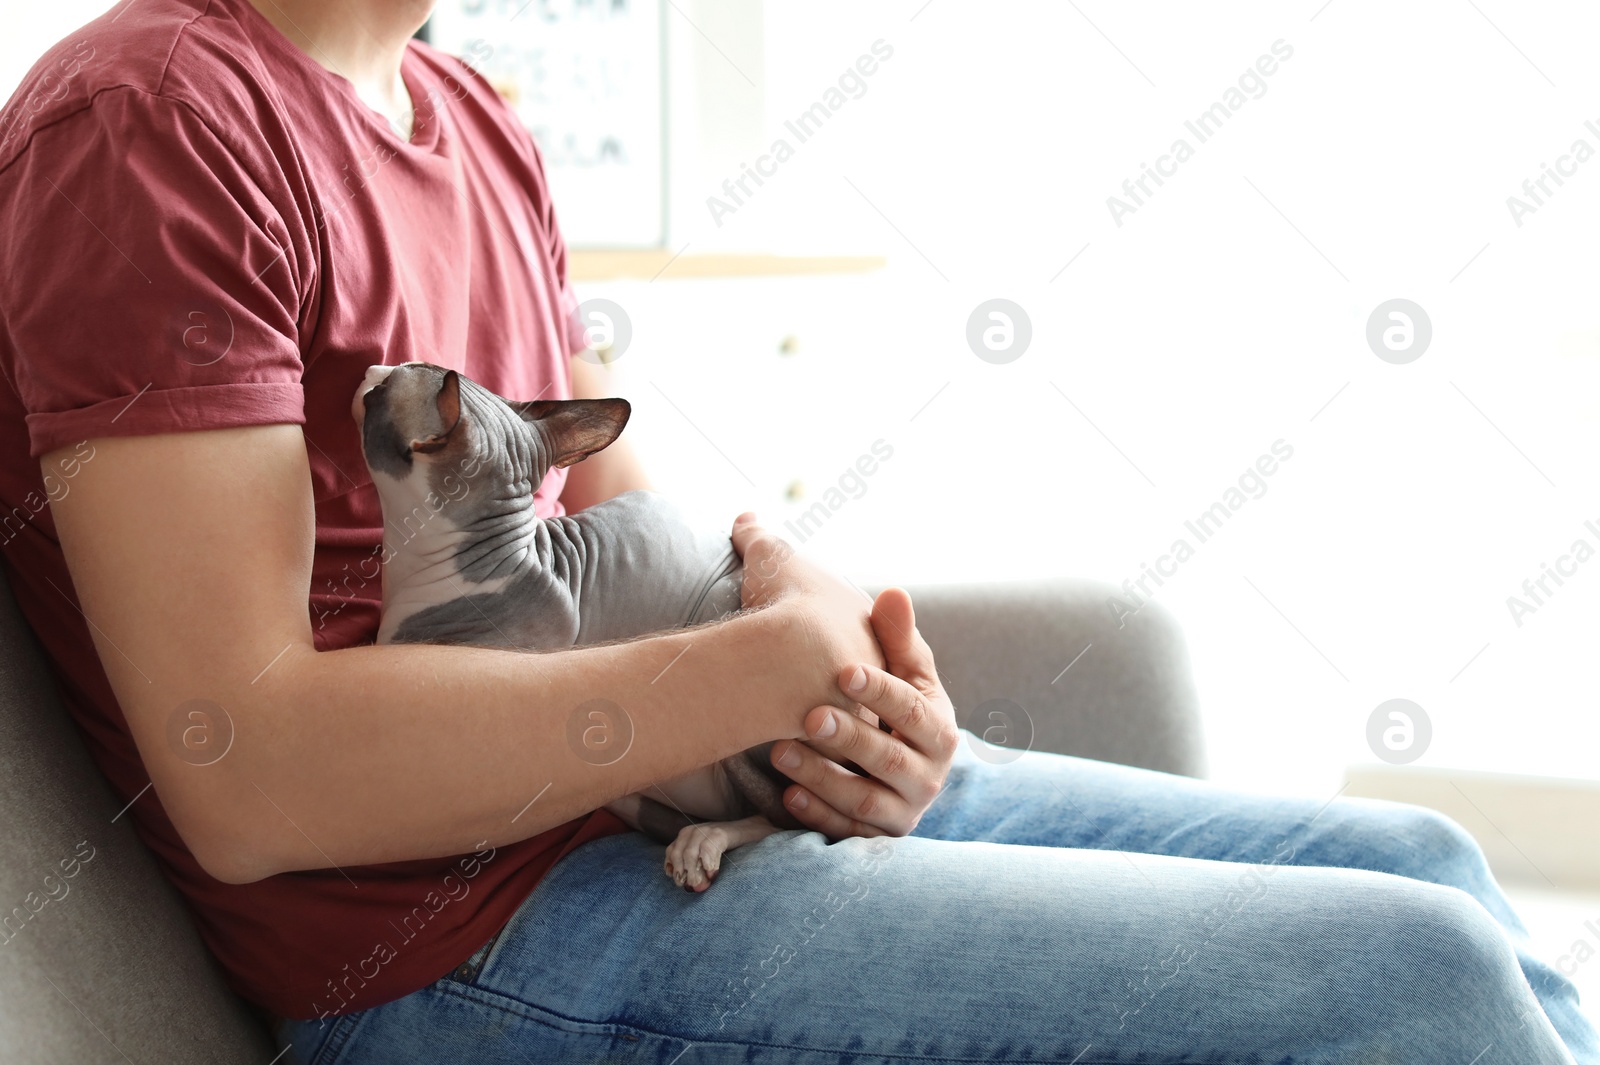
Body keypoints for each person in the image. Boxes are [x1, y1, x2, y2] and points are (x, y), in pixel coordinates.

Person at [0, 1, 1592, 1062]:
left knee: (1428, 862)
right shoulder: (152, 123)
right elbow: (243, 766)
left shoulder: (477, 123)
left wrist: (857, 705)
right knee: (1417, 984)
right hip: (449, 947)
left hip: (646, 824)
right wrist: (757, 673)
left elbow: (633, 532)